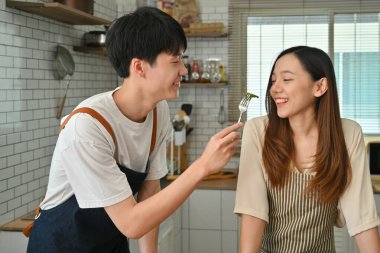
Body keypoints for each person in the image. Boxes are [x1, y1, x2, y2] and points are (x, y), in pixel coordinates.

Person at [27, 7, 243, 253]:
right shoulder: (87, 126)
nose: (183, 70)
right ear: (139, 67)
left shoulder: (158, 110)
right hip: (61, 245)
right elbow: (131, 223)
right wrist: (202, 166)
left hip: (110, 243)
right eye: (175, 61)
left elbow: (148, 192)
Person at [234, 46, 380, 253]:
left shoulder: (348, 133)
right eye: (273, 80)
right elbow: (253, 212)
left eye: (286, 79)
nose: (274, 88)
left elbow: (362, 217)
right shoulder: (258, 130)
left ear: (320, 86)